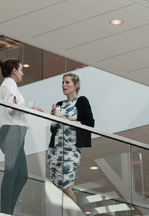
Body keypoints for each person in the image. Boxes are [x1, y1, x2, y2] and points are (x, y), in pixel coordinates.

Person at [0, 58, 43, 215]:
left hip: (13, 133)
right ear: (14, 71)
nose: (22, 73)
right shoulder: (9, 85)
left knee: (22, 175)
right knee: (12, 174)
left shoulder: (8, 85)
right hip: (12, 132)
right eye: (21, 70)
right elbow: (12, 108)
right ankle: (5, 212)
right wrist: (32, 109)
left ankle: (8, 210)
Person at [47, 73, 95, 207]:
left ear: (75, 86)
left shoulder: (81, 101)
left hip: (71, 150)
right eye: (62, 82)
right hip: (55, 150)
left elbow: (90, 123)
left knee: (66, 185)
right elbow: (53, 129)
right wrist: (53, 119)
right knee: (56, 186)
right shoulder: (59, 104)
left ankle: (74, 213)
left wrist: (68, 121)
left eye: (67, 82)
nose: (64, 85)